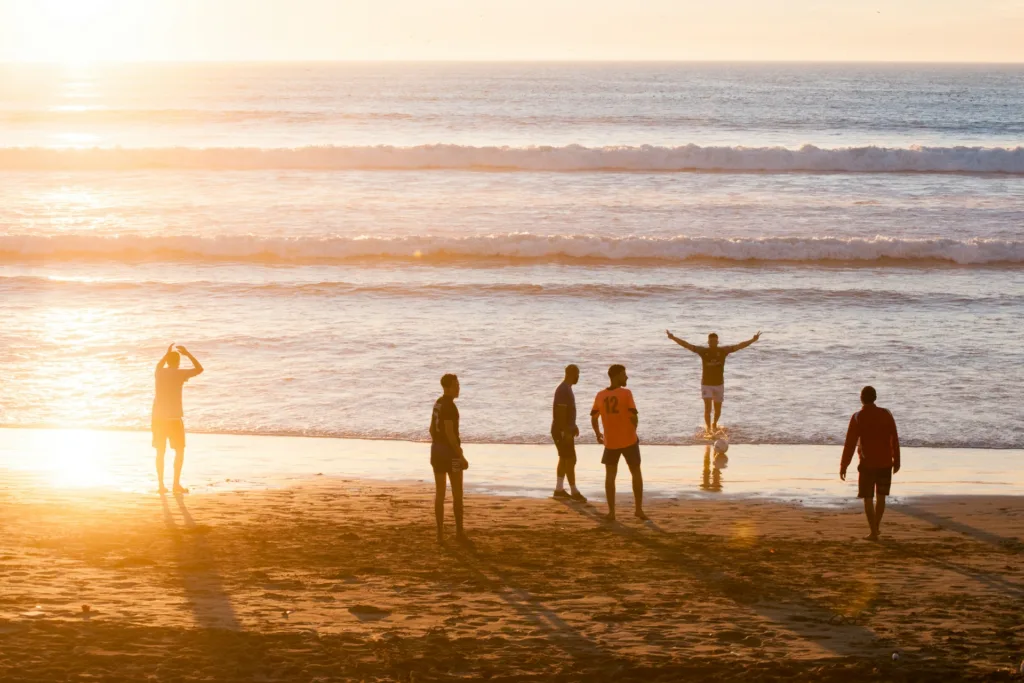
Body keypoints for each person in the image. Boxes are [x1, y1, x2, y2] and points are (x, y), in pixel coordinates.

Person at [665, 329, 761, 435]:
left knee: (718, 410)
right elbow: (686, 345)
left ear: (717, 342)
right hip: (706, 384)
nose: (713, 343)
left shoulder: (723, 351)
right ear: (708, 342)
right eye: (711, 341)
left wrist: (753, 340)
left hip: (719, 384)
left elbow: (739, 346)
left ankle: (714, 423)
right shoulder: (703, 351)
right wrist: (673, 338)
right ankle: (708, 429)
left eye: (715, 341)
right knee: (707, 408)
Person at [840, 386, 901, 541]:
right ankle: (876, 528)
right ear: (875, 397)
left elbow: (850, 443)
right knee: (881, 497)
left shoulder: (857, 417)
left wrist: (844, 464)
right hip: (886, 462)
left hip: (867, 465)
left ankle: (873, 531)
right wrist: (897, 460)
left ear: (861, 398)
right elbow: (894, 437)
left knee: (868, 498)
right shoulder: (886, 414)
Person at [591, 364, 646, 521]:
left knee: (610, 476)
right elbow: (634, 416)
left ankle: (612, 512)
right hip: (629, 439)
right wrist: (634, 430)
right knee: (635, 472)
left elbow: (594, 418)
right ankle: (638, 509)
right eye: (624, 375)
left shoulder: (600, 395)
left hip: (611, 442)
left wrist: (598, 434)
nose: (626, 377)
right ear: (615, 377)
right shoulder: (626, 393)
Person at [152, 343, 204, 495]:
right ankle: (176, 484)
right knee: (179, 451)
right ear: (178, 362)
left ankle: (161, 485)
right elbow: (199, 369)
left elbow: (158, 365)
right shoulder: (180, 373)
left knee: (160, 452)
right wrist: (187, 353)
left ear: (167, 361)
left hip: (158, 418)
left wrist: (165, 354)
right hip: (174, 418)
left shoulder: (159, 373)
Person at [430, 373, 469, 543]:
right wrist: (460, 455)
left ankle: (440, 534)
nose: (458, 388)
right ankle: (459, 532)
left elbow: (432, 429)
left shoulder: (438, 403)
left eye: (458, 384)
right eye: (455, 385)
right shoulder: (449, 407)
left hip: (437, 451)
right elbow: (450, 433)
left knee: (440, 493)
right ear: (447, 387)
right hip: (450, 454)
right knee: (457, 492)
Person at [552, 364, 587, 502]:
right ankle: (574, 491)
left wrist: (573, 426)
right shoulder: (563, 390)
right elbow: (561, 412)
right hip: (561, 430)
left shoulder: (567, 389)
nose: (579, 377)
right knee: (570, 459)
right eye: (578, 374)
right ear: (572, 373)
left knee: (564, 458)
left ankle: (559, 489)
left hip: (564, 429)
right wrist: (565, 431)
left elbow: (567, 412)